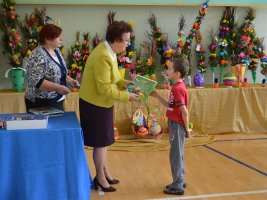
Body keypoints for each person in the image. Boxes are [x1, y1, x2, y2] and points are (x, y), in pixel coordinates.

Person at [78, 21, 139, 192]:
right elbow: (104, 88)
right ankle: (100, 177)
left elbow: (112, 79)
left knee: (104, 141)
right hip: (95, 104)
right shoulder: (103, 55)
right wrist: (128, 96)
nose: (128, 44)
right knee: (101, 142)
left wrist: (124, 82)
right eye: (126, 41)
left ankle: (105, 172)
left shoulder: (109, 51)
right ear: (115, 40)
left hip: (101, 103)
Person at [150, 58, 193, 195]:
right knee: (178, 153)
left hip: (177, 126)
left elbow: (184, 111)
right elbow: (171, 106)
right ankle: (180, 179)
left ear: (177, 74)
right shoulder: (177, 87)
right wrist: (157, 96)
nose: (167, 71)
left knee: (175, 155)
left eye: (169, 69)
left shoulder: (177, 89)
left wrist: (187, 129)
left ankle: (178, 185)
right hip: (176, 124)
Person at [24, 24, 79, 111]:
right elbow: (36, 81)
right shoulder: (38, 55)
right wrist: (58, 87)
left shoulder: (56, 50)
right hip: (41, 102)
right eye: (58, 37)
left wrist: (69, 80)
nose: (61, 39)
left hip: (56, 99)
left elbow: (60, 71)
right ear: (47, 39)